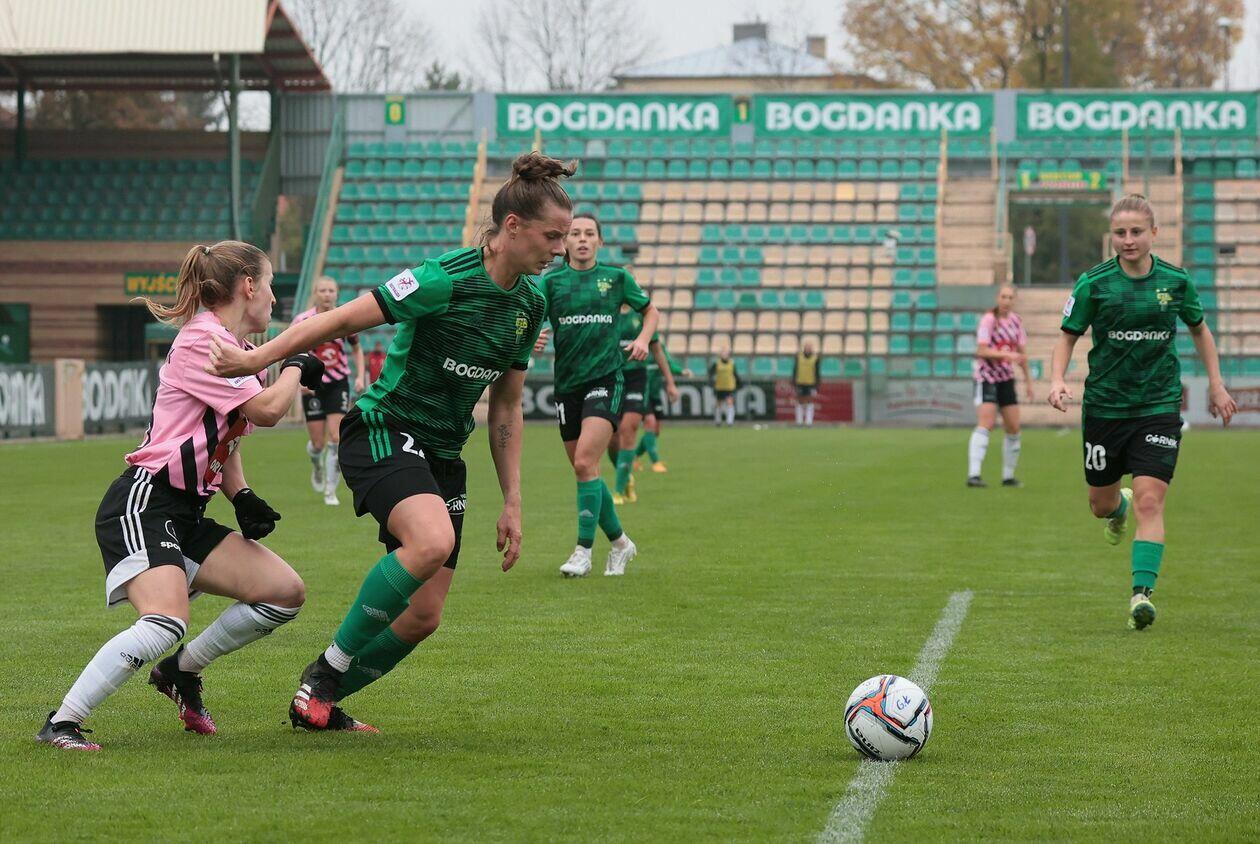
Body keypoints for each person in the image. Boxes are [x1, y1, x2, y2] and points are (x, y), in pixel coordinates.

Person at [206, 152, 559, 730]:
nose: (559, 249)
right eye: (552, 235)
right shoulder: (442, 277)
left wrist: (513, 500)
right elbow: (340, 320)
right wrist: (255, 358)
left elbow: (506, 405)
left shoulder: (532, 304)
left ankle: (317, 703)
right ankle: (326, 670)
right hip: (383, 429)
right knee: (431, 541)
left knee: (423, 617)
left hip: (445, 454)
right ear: (513, 227)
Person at [37, 241, 323, 752]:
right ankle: (62, 722)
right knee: (165, 620)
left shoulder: (236, 351)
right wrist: (297, 362)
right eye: (270, 285)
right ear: (248, 286)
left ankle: (181, 671)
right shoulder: (203, 341)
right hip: (146, 501)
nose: (274, 298)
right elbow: (266, 412)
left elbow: (225, 437)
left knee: (284, 593)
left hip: (186, 511)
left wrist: (242, 496)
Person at [1048, 194, 1236, 631]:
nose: (1128, 240)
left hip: (1158, 405)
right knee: (1100, 505)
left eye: (1136, 231)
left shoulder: (1176, 281)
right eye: (1120, 232)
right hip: (1105, 407)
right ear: (1110, 236)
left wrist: (1216, 383)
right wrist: (1057, 379)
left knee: (1151, 500)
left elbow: (1200, 331)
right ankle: (1118, 509)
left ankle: (1141, 595)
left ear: (1154, 232)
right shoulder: (1094, 283)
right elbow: (1067, 336)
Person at [543, 212, 659, 577]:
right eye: (575, 233)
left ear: (599, 241)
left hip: (606, 379)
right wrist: (532, 340)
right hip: (566, 386)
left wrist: (643, 339)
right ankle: (621, 544)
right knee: (587, 470)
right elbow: (530, 322)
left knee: (583, 463)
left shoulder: (616, 278)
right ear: (565, 242)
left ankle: (583, 551)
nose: (582, 239)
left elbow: (651, 312)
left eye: (589, 233)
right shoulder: (551, 283)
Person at [292, 275, 366, 506]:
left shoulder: (345, 318)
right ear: (315, 293)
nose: (327, 295)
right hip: (312, 384)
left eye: (331, 291)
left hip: (338, 383)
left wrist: (360, 375)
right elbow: (291, 349)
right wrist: (298, 380)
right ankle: (316, 464)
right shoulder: (303, 320)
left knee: (336, 437)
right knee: (318, 444)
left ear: (337, 293)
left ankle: (330, 490)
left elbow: (356, 348)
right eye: (322, 290)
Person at [609, 302, 679, 504]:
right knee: (612, 438)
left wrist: (670, 383)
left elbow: (657, 351)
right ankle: (626, 476)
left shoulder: (642, 316)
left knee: (628, 428)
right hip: (611, 376)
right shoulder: (606, 311)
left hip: (636, 378)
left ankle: (618, 491)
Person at [967, 285, 1033, 488]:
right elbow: (981, 350)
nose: (1007, 301)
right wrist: (1006, 354)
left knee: (1013, 427)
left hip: (1006, 379)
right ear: (997, 298)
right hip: (986, 377)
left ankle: (1008, 476)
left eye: (1010, 297)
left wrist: (1028, 382)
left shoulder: (1016, 321)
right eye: (1004, 296)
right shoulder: (989, 320)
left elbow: (1022, 354)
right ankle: (974, 474)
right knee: (986, 423)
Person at [634, 340, 687, 473]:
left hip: (655, 394)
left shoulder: (659, 347)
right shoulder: (638, 345)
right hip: (642, 392)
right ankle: (655, 462)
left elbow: (668, 365)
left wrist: (681, 371)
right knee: (650, 422)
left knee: (656, 430)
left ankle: (634, 456)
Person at [792, 341, 821, 426]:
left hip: (810, 383)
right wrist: (794, 382)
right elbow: (795, 370)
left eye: (809, 348)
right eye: (806, 348)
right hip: (800, 382)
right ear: (804, 349)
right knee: (799, 402)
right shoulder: (799, 357)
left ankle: (809, 421)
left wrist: (817, 384)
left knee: (809, 402)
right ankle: (799, 421)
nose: (808, 349)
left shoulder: (815, 358)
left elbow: (817, 372)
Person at [710, 348, 738, 426]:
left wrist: (738, 383)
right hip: (719, 386)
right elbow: (711, 374)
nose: (724, 355)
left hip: (729, 386)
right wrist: (712, 383)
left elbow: (735, 374)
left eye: (726, 354)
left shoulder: (732, 363)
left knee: (730, 403)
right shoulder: (717, 363)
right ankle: (718, 421)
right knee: (719, 404)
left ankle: (730, 421)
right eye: (723, 353)